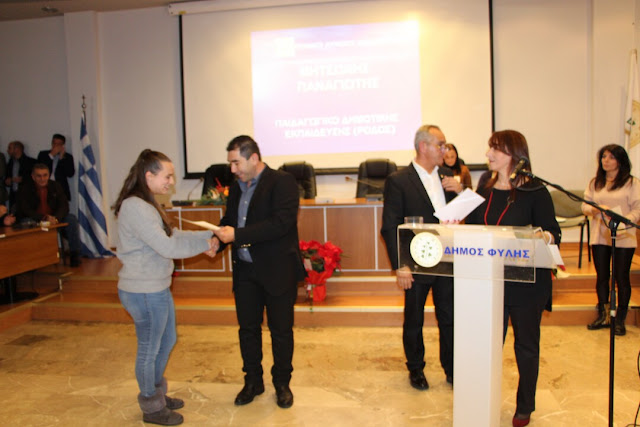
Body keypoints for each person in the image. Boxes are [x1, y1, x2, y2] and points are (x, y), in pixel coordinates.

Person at [113, 149, 216, 426]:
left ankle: (156, 393)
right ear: (149, 176)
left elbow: (173, 235)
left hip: (156, 287)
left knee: (167, 340)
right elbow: (167, 247)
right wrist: (205, 245)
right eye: (167, 176)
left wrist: (211, 234)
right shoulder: (135, 206)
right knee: (149, 348)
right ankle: (151, 405)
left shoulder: (148, 203)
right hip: (143, 290)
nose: (171, 182)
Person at [466, 130, 560, 427]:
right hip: (489, 282)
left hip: (526, 285)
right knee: (488, 346)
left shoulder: (535, 191)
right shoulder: (484, 188)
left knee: (526, 348)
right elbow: (472, 228)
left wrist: (544, 236)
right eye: (489, 148)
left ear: (514, 155)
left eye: (495, 149)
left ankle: (524, 406)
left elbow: (553, 232)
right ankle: (483, 400)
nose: (488, 154)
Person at [211, 135, 306, 409]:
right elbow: (230, 221)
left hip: (277, 271)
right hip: (245, 272)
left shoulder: (283, 182)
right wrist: (218, 240)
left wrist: (236, 235)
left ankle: (282, 384)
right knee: (248, 330)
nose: (232, 169)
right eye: (230, 164)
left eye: (236, 163)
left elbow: (280, 224)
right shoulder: (236, 187)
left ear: (253, 158)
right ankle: (253, 381)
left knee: (281, 331)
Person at [380, 124, 462, 391]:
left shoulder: (448, 176)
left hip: (448, 257)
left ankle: (452, 368)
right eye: (440, 145)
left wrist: (460, 192)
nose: (445, 150)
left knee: (449, 317)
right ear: (423, 146)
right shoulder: (399, 180)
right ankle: (416, 369)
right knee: (414, 318)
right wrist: (400, 265)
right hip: (416, 260)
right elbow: (390, 226)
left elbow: (462, 216)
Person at [581, 144, 640, 336]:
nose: (605, 160)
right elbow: (585, 206)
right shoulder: (595, 182)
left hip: (624, 235)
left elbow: (637, 209)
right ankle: (604, 315)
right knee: (602, 277)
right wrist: (596, 209)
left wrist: (623, 222)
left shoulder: (632, 183)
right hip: (600, 236)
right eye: (603, 156)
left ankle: (619, 318)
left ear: (620, 161)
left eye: (611, 157)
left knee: (621, 276)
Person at [15, 163, 82, 266]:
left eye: (45, 175)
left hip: (54, 217)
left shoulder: (56, 186)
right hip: (35, 219)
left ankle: (75, 254)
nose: (42, 179)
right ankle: (32, 259)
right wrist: (44, 217)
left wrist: (55, 218)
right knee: (26, 223)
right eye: (39, 176)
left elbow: (64, 206)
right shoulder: (25, 188)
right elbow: (25, 210)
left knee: (71, 219)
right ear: (33, 177)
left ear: (49, 175)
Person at [38, 133, 75, 202]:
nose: (56, 146)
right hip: (45, 188)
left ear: (62, 146)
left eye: (58, 144)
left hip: (60, 189)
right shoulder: (43, 154)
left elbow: (70, 173)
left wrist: (62, 159)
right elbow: (39, 169)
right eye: (54, 143)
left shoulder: (68, 157)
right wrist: (51, 155)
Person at [5, 141, 35, 211]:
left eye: (10, 148)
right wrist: (7, 181)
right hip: (13, 196)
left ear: (17, 149)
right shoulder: (10, 162)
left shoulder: (31, 162)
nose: (7, 150)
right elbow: (6, 178)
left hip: (27, 195)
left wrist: (23, 179)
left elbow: (35, 178)